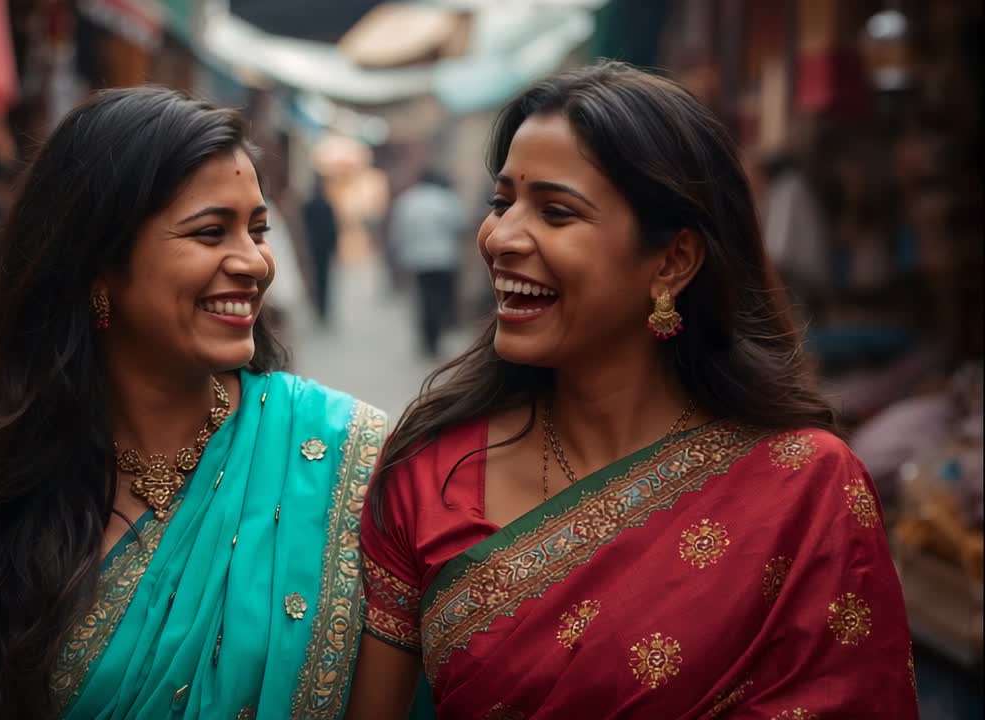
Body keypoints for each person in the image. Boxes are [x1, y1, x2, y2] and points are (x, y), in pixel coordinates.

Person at [347, 62, 917, 719]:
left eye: (556, 212)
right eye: (501, 203)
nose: (499, 238)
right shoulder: (429, 471)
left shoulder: (803, 488)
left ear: (673, 261)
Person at [0, 87, 386, 719]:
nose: (255, 263)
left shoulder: (342, 458)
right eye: (211, 232)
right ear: (97, 264)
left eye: (258, 230)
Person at [390, 168, 467, 359]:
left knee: (423, 299)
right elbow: (461, 225)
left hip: (418, 259)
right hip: (443, 258)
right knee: (439, 300)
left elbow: (398, 231)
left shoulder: (408, 200)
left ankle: (425, 339)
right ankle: (435, 340)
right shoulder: (445, 199)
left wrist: (400, 256)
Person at [302, 176, 339, 324]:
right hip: (319, 248)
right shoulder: (317, 205)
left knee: (321, 279)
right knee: (322, 279)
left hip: (318, 248)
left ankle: (321, 309)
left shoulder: (313, 205)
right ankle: (321, 308)